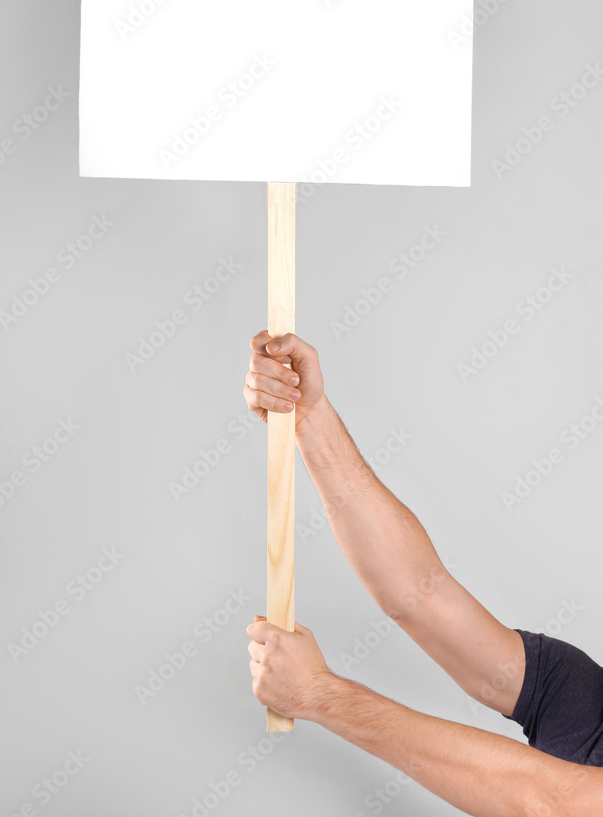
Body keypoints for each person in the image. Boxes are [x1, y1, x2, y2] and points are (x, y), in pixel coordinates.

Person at [243, 331, 603, 817]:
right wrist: (309, 417)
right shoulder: (583, 699)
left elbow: (551, 802)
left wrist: (321, 695)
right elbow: (419, 593)